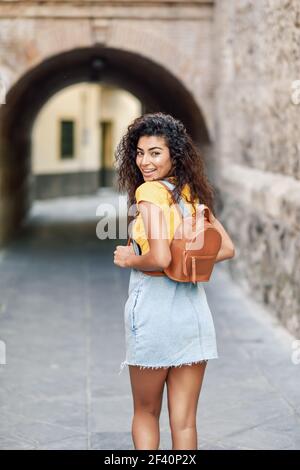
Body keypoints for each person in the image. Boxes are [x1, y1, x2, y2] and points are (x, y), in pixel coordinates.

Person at [113, 112, 235, 450]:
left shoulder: (149, 193)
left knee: (146, 412)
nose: (144, 161)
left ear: (172, 154)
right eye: (139, 152)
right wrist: (186, 263)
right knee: (184, 423)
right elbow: (226, 249)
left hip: (154, 316)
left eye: (155, 152)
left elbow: (160, 258)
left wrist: (130, 259)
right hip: (192, 316)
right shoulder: (189, 194)